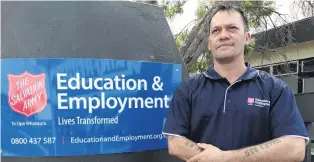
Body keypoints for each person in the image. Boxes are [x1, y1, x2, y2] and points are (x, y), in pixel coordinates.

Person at [162, 4, 309, 162]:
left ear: (247, 38)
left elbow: (295, 147)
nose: (223, 35)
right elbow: (175, 142)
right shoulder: (188, 89)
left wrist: (225, 158)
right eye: (216, 30)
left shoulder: (275, 89)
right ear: (210, 43)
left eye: (232, 28)